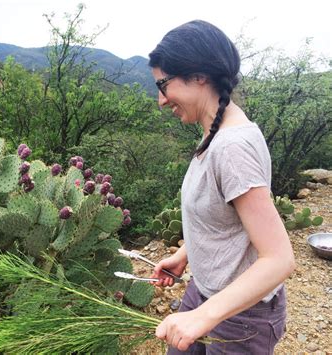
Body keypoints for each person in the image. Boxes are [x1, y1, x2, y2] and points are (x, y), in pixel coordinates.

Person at [148, 20, 296, 354]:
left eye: (164, 85)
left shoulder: (231, 146)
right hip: (205, 292)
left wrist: (203, 317)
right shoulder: (216, 131)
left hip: (241, 316)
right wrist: (186, 254)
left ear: (199, 75)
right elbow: (227, 216)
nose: (160, 100)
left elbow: (279, 258)